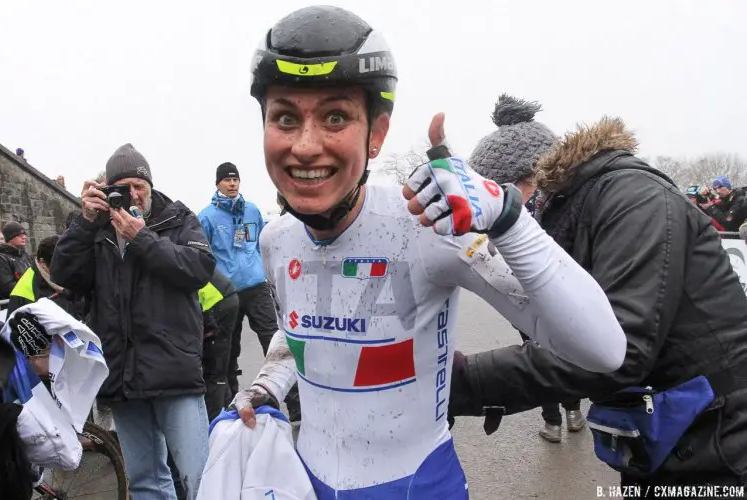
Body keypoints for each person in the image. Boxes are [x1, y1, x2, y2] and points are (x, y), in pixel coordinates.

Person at [228, 6, 626, 498]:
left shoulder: (427, 226)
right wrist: (267, 385)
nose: (306, 146)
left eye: (335, 116)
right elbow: (299, 334)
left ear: (376, 134)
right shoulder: (275, 240)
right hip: (305, 482)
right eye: (285, 117)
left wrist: (509, 219)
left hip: (415, 484)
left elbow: (603, 350)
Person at [449, 117, 747, 492]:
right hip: (662, 430)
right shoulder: (570, 211)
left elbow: (620, 348)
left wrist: (465, 381)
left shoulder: (635, 199)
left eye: (497, 197)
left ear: (529, 180)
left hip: (720, 435)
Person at [50, 143, 216, 500]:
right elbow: (64, 274)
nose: (133, 195)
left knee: (199, 477)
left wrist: (142, 238)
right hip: (123, 373)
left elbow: (199, 269)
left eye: (139, 186)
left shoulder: (178, 219)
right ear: (109, 191)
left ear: (151, 186)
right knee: (144, 480)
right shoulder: (95, 230)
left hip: (174, 370)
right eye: (122, 188)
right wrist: (83, 222)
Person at [469, 93, 585, 443]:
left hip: (549, 289)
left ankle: (560, 417)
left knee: (550, 352)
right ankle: (567, 414)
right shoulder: (536, 203)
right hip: (529, 290)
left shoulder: (561, 202)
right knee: (553, 352)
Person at [198, 163, 278, 391]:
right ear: (218, 184)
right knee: (228, 348)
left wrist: (265, 272)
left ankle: (293, 403)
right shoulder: (206, 217)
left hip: (256, 286)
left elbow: (263, 244)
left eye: (235, 180)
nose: (232, 184)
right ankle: (230, 397)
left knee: (273, 340)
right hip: (226, 292)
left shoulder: (252, 210)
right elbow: (203, 257)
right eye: (227, 180)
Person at [7, 235, 84, 319]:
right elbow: (14, 328)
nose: (66, 271)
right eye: (60, 266)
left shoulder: (72, 273)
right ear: (42, 262)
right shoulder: (24, 292)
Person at [199, 268, 239, 420]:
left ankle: (216, 425)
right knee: (218, 371)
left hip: (219, 303)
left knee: (214, 372)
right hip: (222, 297)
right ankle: (227, 415)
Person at [0, 222, 32, 300]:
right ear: (10, 238)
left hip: (29, 301)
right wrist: (34, 287)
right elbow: (7, 288)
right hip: (12, 305)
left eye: (25, 234)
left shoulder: (25, 255)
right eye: (20, 235)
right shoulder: (1, 259)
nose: (24, 237)